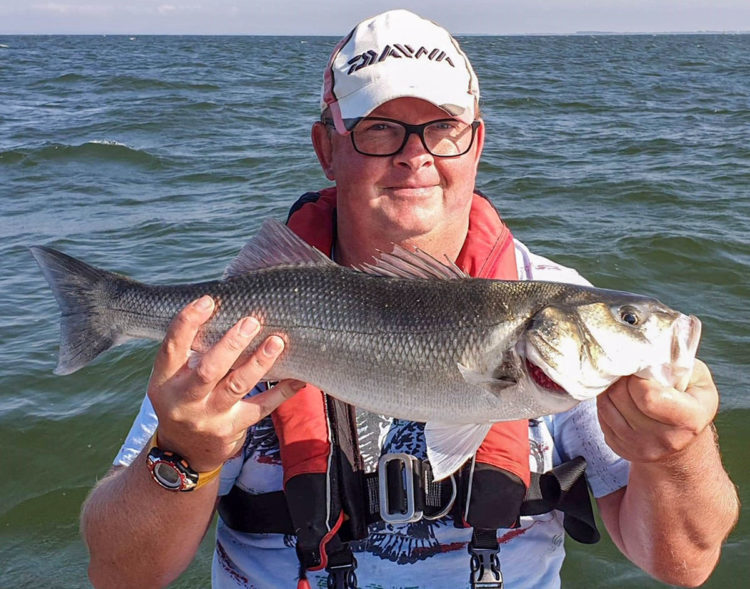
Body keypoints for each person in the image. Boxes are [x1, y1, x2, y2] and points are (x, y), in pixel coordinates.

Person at [80, 9, 739, 589]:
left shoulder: (559, 297)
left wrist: (678, 453)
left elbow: (683, 563)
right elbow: (120, 572)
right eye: (380, 129)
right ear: (327, 148)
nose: (415, 155)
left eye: (442, 128)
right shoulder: (235, 322)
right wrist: (182, 453)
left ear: (476, 142)